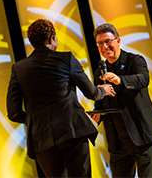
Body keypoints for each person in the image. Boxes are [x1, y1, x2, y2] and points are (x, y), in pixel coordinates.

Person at [6, 19, 115, 178]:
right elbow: (91, 93)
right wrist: (103, 90)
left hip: (42, 140)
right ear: (52, 39)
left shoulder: (18, 69)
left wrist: (35, 120)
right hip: (72, 132)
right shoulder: (66, 59)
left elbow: (13, 112)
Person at [92, 23, 152, 178]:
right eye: (100, 43)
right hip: (118, 143)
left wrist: (119, 80)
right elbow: (101, 103)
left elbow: (143, 79)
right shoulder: (99, 72)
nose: (105, 46)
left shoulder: (135, 61)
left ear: (118, 41)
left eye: (108, 41)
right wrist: (96, 115)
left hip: (144, 137)